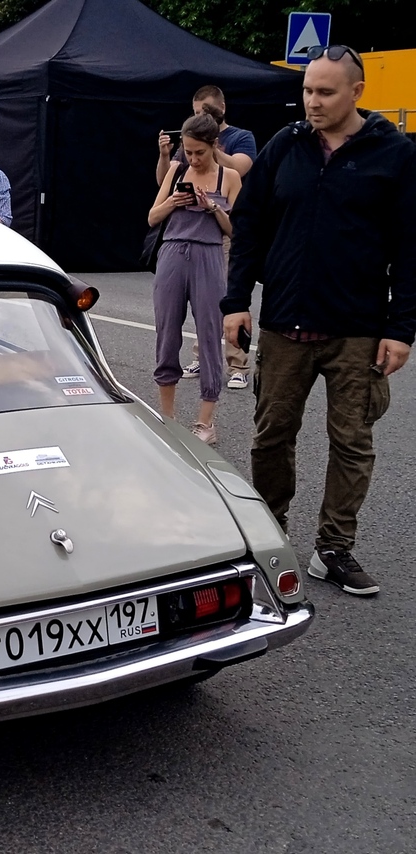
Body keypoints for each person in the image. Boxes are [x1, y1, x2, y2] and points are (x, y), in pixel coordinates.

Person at [222, 45, 416, 596]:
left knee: (352, 442)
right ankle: (272, 532)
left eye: (325, 92)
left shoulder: (394, 154)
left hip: (358, 328)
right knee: (271, 436)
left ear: (358, 92)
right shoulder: (286, 145)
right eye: (308, 90)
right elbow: (250, 223)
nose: (313, 102)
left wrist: (401, 328)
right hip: (285, 323)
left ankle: (334, 547)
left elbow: (408, 248)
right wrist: (235, 302)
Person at [148, 113, 241, 446]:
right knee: (167, 331)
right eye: (188, 151)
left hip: (209, 255)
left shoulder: (229, 177)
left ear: (214, 145)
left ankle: (205, 421)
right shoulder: (176, 171)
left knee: (210, 331)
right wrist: (173, 201)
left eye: (199, 152)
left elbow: (237, 231)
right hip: (173, 253)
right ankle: (167, 417)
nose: (193, 158)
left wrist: (214, 209)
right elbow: (151, 217)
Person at [158, 86, 258, 390]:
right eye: (197, 112)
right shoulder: (189, 145)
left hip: (223, 227)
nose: (201, 117)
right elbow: (166, 179)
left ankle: (237, 362)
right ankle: (203, 355)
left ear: (221, 108)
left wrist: (211, 150)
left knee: (228, 297)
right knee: (201, 304)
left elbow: (240, 167)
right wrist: (167, 155)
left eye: (206, 112)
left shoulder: (241, 137)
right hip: (188, 231)